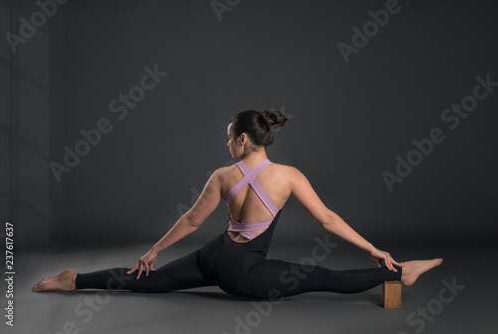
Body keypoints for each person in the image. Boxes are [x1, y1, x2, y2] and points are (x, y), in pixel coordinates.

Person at [32, 109, 442, 300]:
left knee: (148, 279)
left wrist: (153, 251)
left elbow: (192, 221)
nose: (227, 144)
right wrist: (372, 249)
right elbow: (328, 220)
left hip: (212, 256)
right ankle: (400, 273)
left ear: (243, 139)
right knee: (320, 276)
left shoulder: (223, 175)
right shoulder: (289, 176)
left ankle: (75, 280)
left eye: (230, 137)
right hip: (244, 274)